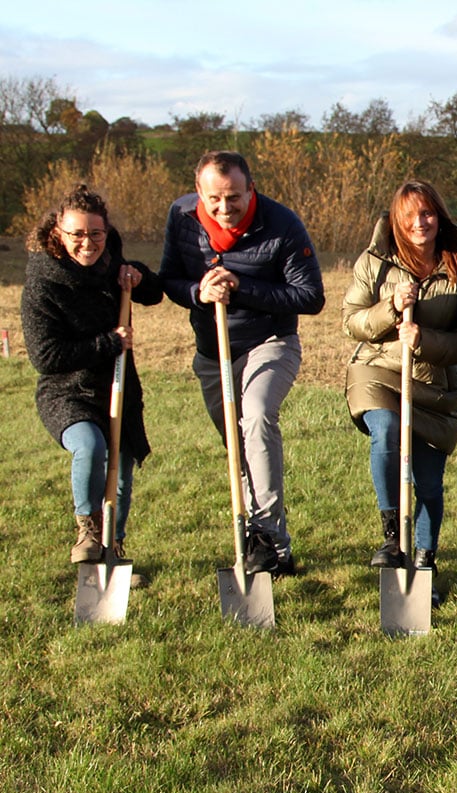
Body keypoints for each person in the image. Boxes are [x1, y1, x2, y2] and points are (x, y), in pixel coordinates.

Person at [159, 151, 325, 577]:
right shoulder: (181, 217)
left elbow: (310, 296)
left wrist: (242, 287)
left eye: (233, 197)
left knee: (256, 419)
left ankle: (271, 542)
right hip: (213, 352)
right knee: (237, 447)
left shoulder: (281, 223)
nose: (224, 207)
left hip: (270, 342)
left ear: (250, 188)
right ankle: (255, 532)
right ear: (198, 192)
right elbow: (169, 280)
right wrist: (199, 291)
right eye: (214, 198)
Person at [343, 180, 457, 606]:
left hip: (437, 385)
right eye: (409, 217)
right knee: (384, 430)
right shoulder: (376, 262)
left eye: (426, 214)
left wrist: (422, 339)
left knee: (429, 484)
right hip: (380, 370)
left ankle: (425, 562)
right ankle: (391, 538)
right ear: (396, 222)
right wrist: (389, 308)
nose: (419, 223)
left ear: (439, 215)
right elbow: (351, 321)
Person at [21, 184, 162, 582]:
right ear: (58, 233)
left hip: (118, 388)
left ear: (106, 232)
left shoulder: (111, 262)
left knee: (122, 471)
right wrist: (110, 342)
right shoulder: (43, 284)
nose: (88, 243)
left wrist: (137, 275)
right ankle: (88, 531)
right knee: (91, 445)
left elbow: (154, 293)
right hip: (68, 391)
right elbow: (45, 357)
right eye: (77, 235)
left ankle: (112, 553)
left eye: (96, 234)